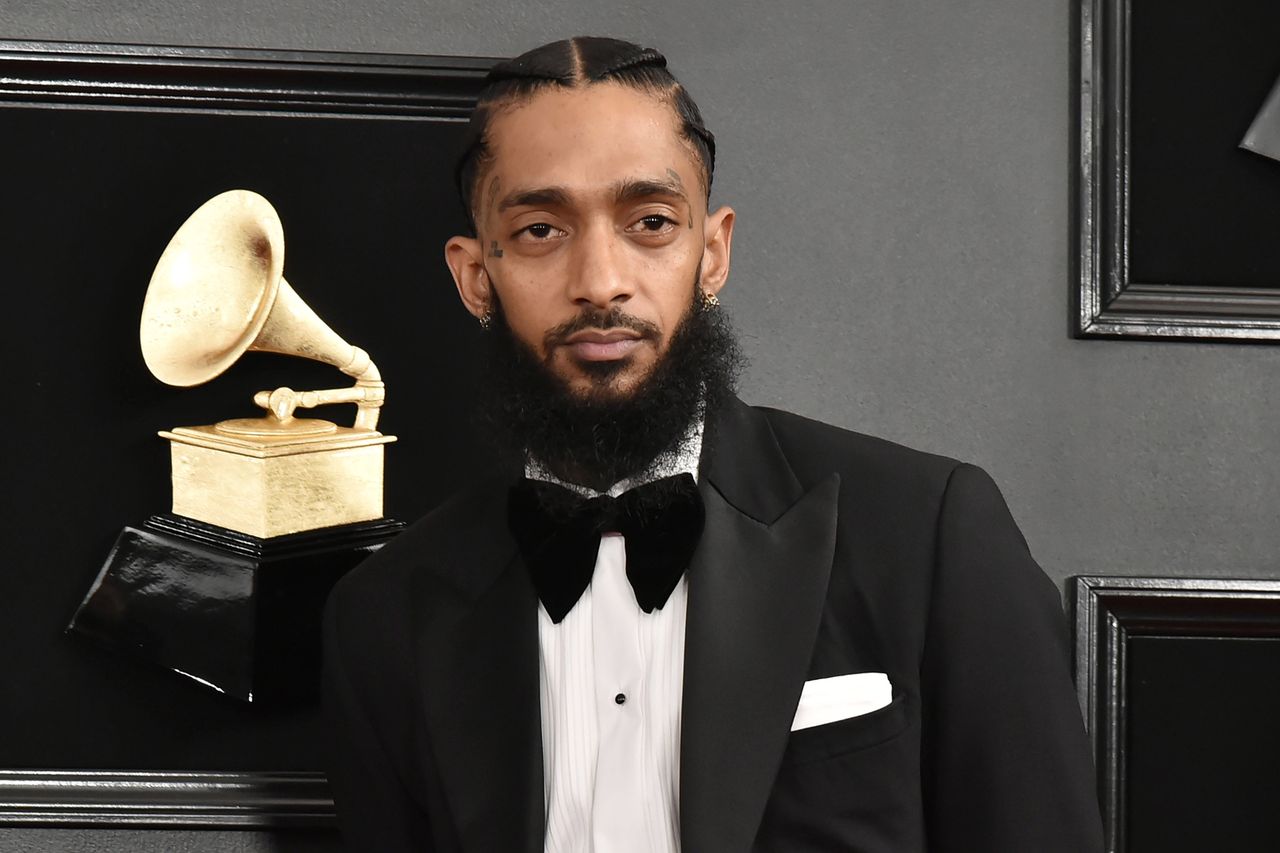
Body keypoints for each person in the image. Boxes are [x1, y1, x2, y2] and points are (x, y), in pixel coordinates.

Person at [322, 36, 1105, 852]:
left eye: (651, 223)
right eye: (541, 229)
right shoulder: (382, 617)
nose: (600, 279)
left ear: (712, 253)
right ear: (475, 275)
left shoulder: (934, 535)